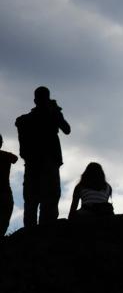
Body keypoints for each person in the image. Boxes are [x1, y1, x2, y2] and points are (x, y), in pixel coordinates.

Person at [15, 86, 70, 226]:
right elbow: (66, 129)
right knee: (50, 197)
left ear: (35, 100)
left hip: (32, 162)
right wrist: (56, 110)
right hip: (49, 161)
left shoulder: (25, 120)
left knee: (31, 199)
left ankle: (30, 232)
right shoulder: (52, 113)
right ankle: (46, 229)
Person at [1, 134, 18, 236]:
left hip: (5, 191)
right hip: (4, 191)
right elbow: (15, 158)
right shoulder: (6, 156)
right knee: (4, 216)